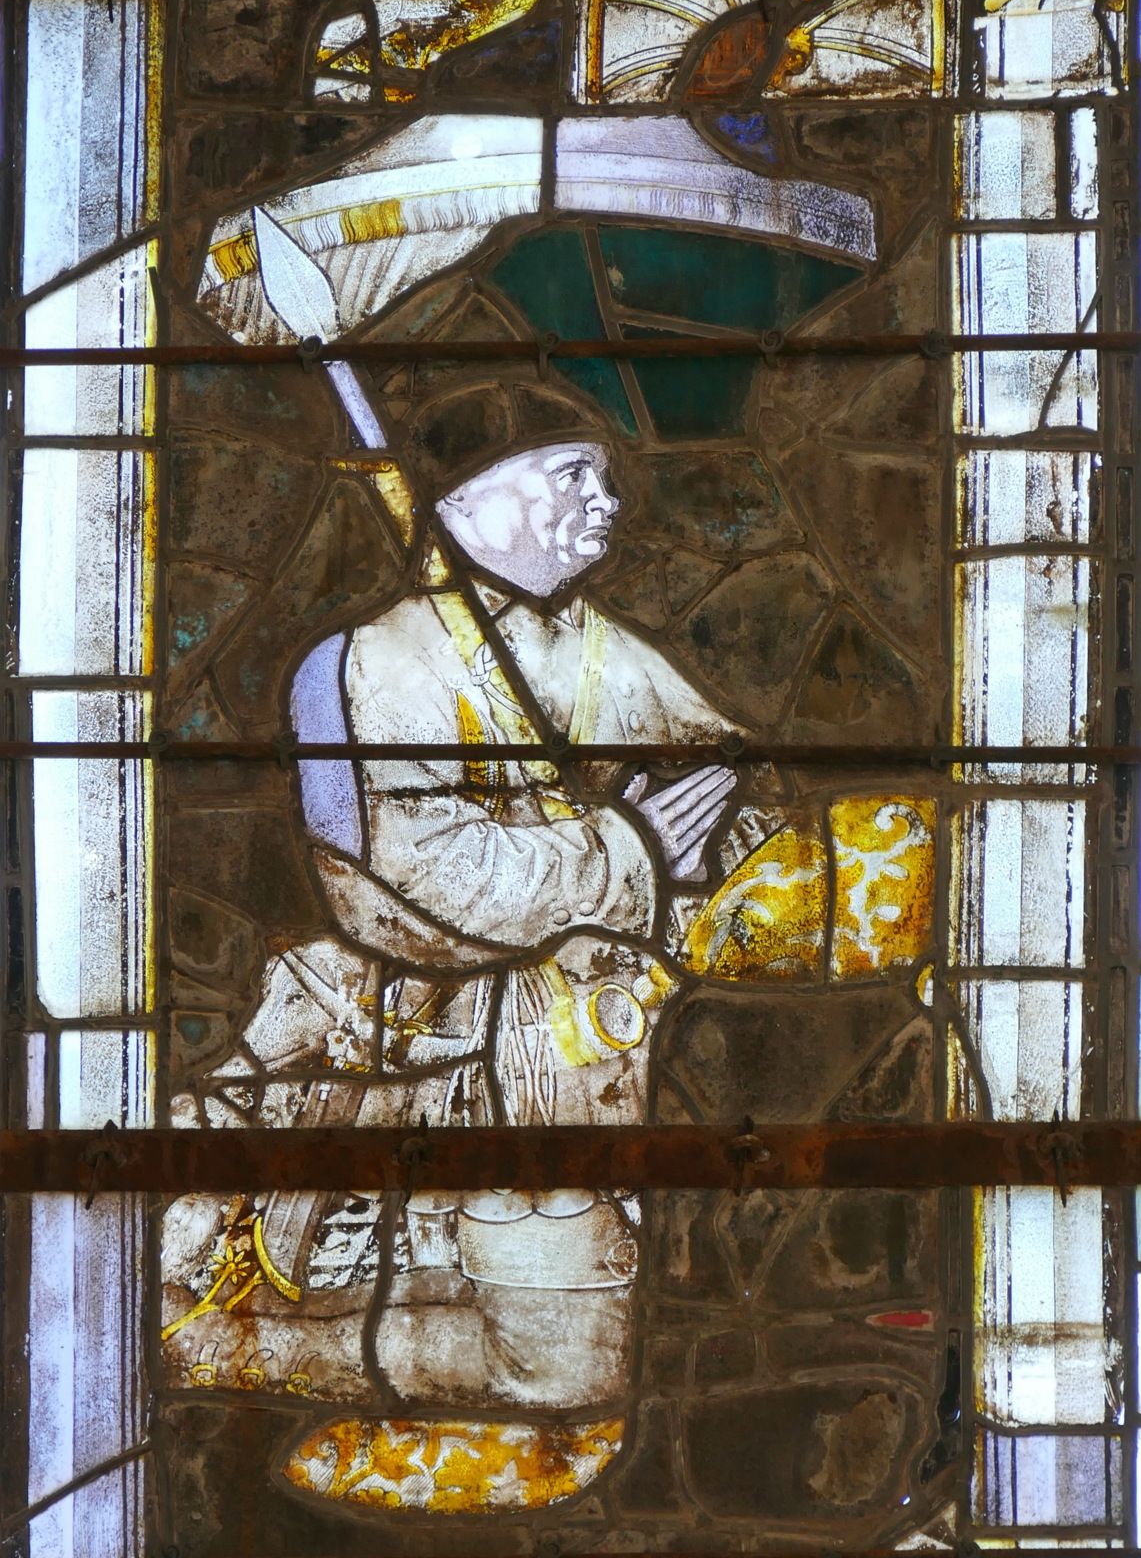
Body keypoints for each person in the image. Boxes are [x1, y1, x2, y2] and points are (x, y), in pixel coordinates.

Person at [160, 377, 759, 1511]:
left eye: (604, 473)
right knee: (556, 1366)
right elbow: (403, 883)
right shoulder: (362, 665)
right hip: (420, 1056)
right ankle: (230, 1353)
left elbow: (733, 796)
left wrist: (726, 844)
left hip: (610, 1057)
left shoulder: (609, 654)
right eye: (571, 472)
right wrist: (628, 850)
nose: (607, 498)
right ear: (468, 501)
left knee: (596, 1361)